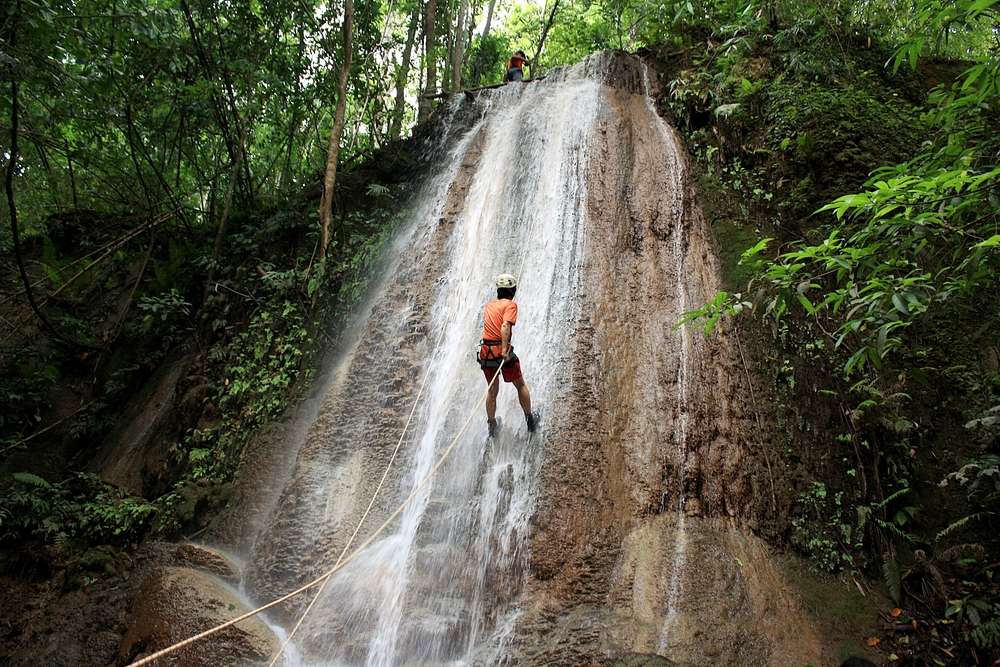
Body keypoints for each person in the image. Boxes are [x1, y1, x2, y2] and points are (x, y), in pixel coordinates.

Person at [477, 273, 538, 437]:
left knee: (492, 390)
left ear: (499, 290)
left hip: (486, 353)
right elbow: (505, 326)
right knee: (520, 384)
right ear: (513, 290)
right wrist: (504, 350)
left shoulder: (489, 306)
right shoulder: (510, 305)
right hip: (500, 351)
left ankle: (492, 426)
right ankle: (530, 420)